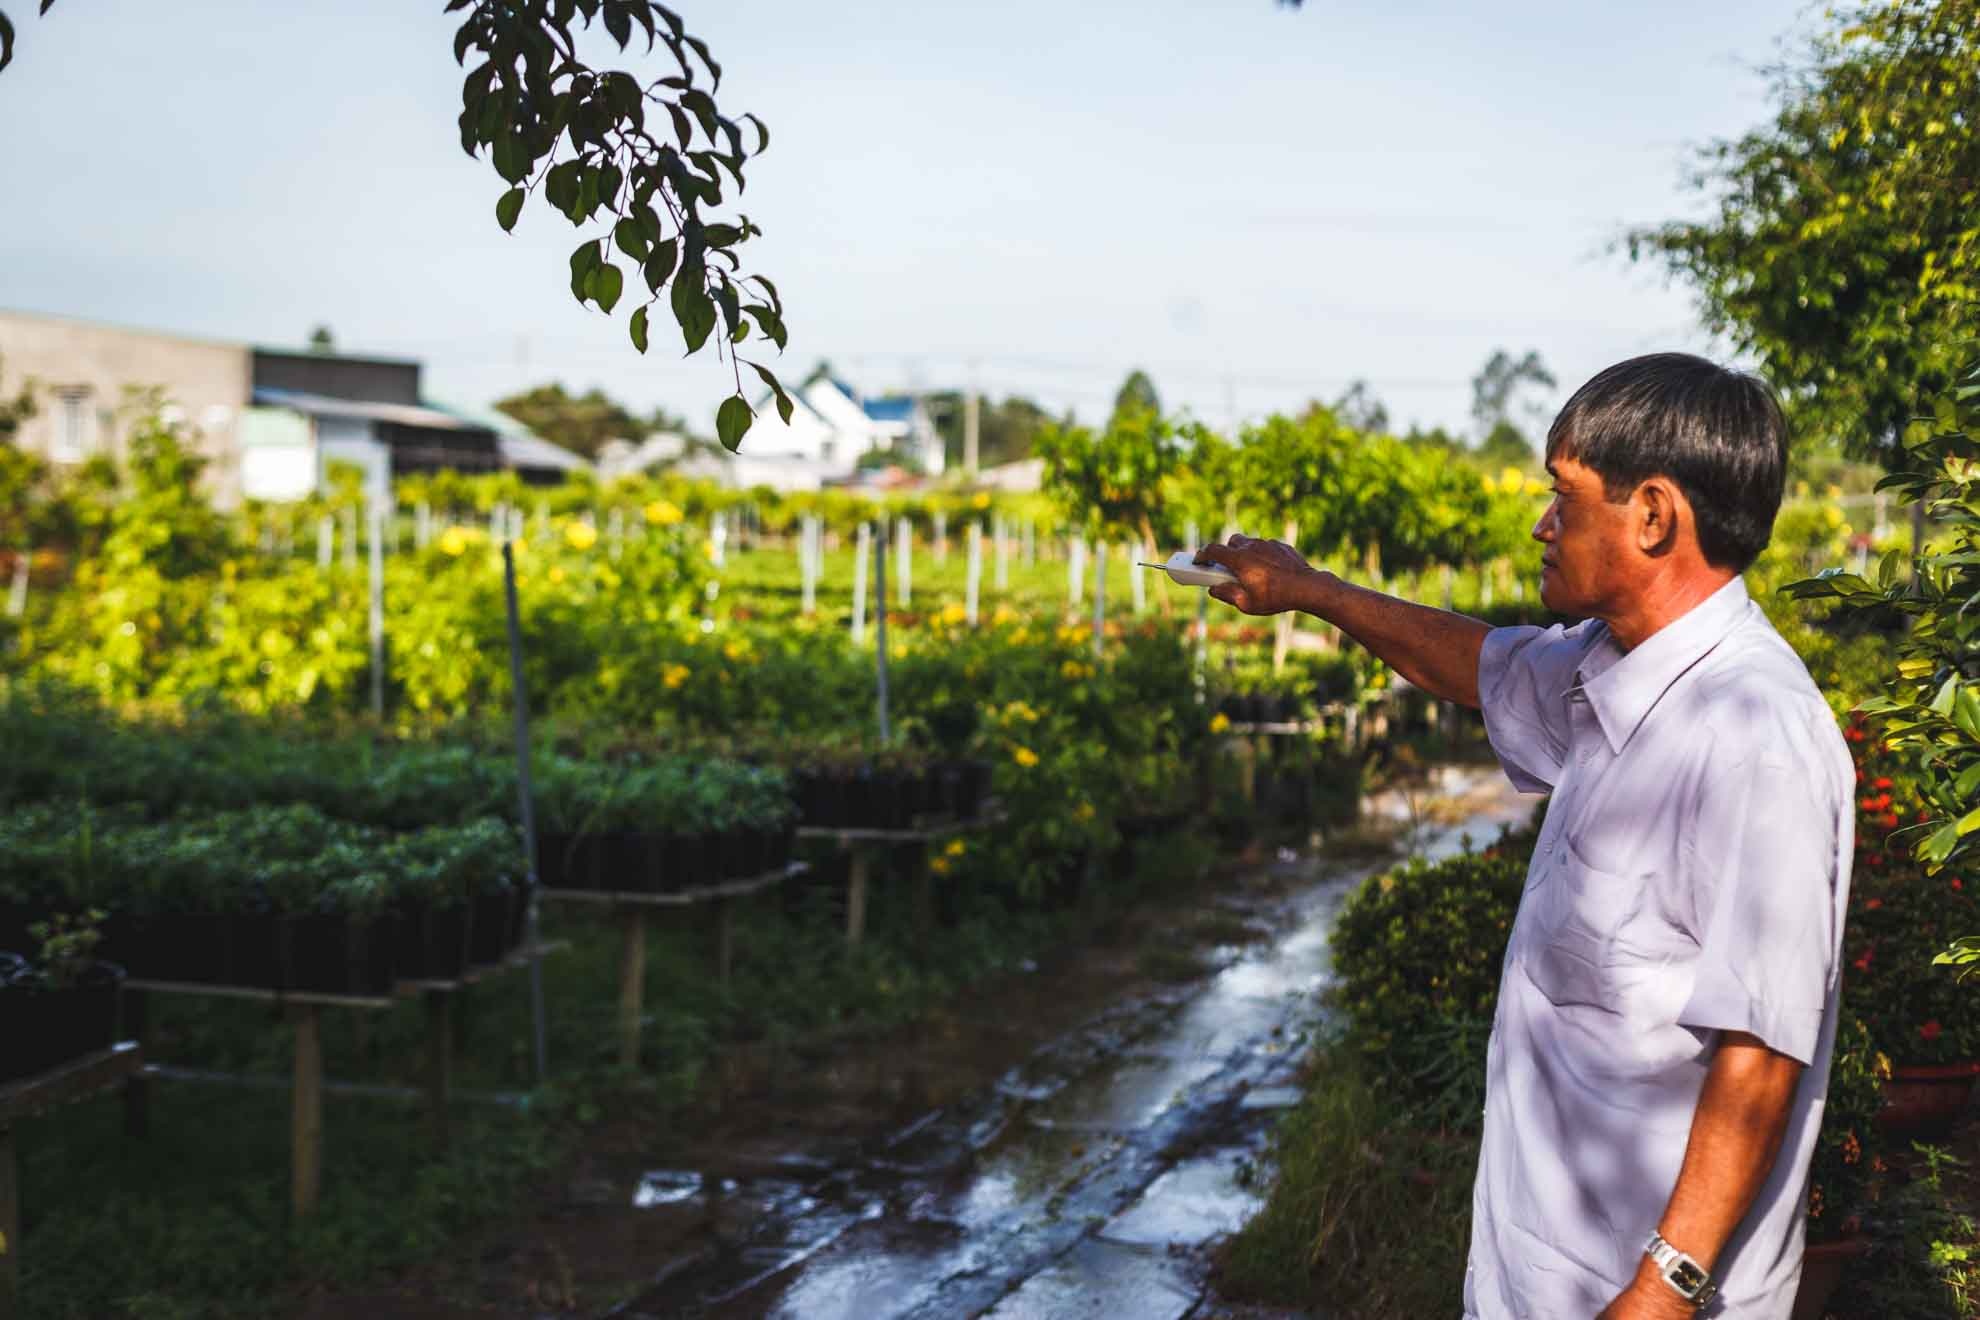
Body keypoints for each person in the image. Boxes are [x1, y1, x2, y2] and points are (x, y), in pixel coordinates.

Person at [1197, 353, 1852, 1319]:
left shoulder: (1755, 736)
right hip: (1541, 1277)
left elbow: (1760, 1053)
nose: (1543, 525)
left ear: (1654, 515)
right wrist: (1312, 590)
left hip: (1638, 1293)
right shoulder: (1610, 668)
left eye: (1564, 496)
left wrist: (1662, 1290)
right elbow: (1481, 666)